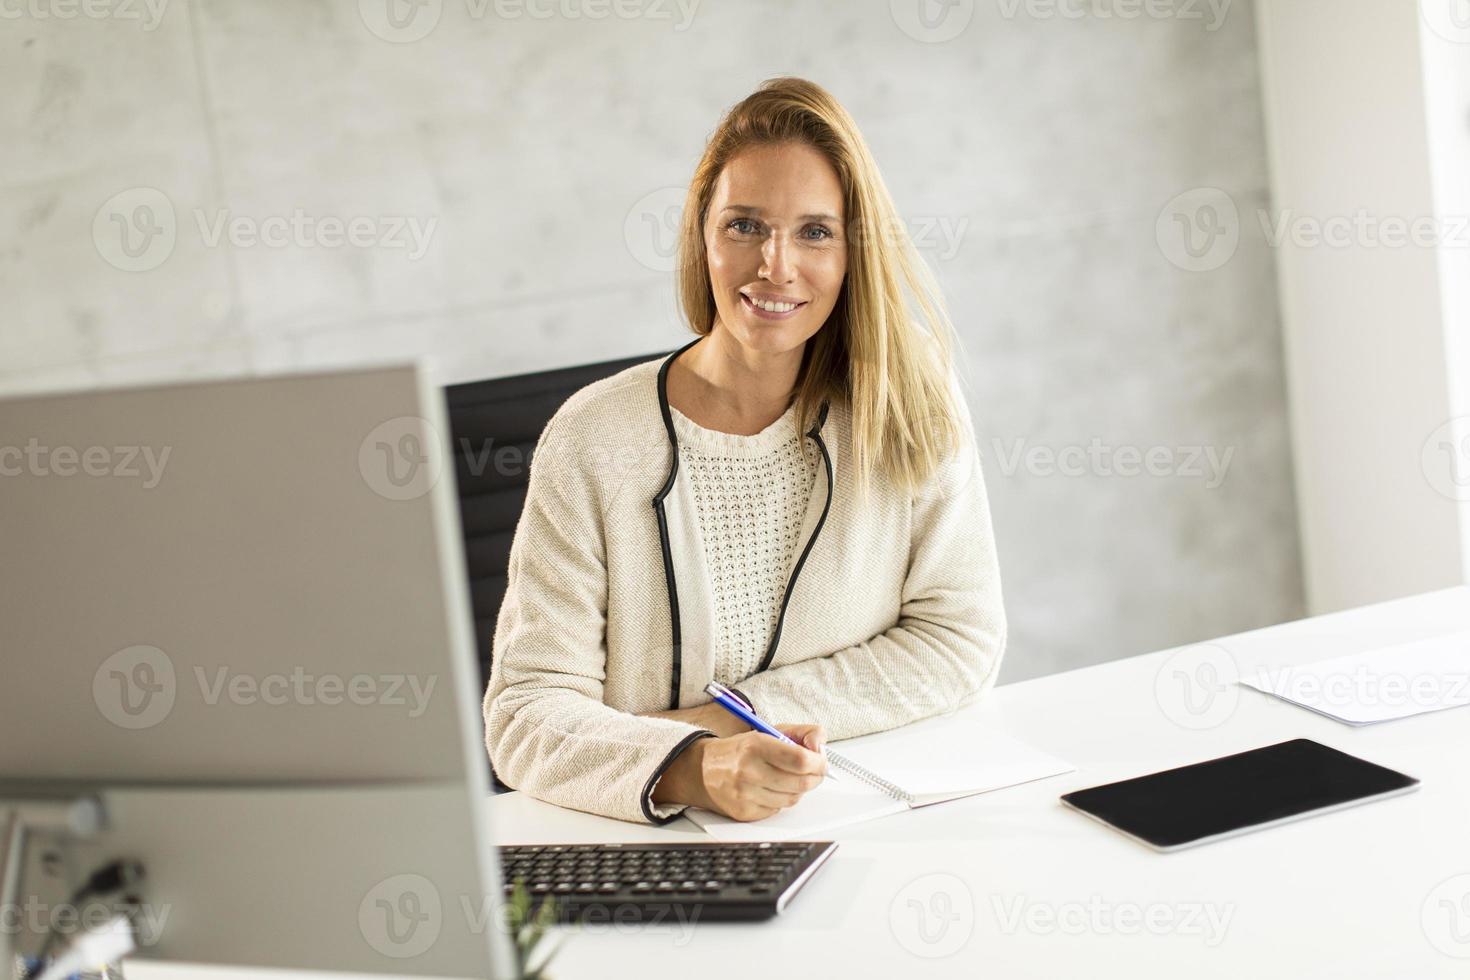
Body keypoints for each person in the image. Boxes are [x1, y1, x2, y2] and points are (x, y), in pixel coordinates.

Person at [484, 76, 1007, 826]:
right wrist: (689, 768)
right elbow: (525, 715)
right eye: (745, 226)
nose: (776, 265)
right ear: (702, 235)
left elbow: (960, 639)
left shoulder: (907, 398)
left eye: (815, 232)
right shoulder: (593, 438)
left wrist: (733, 718)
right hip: (643, 848)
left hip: (864, 818)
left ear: (856, 252)